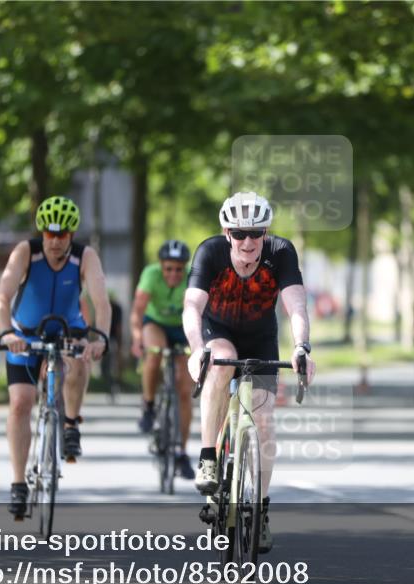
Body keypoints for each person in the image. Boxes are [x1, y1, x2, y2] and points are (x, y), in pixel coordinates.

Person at [184, 191, 316, 553]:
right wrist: (197, 349)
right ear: (227, 233)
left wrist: (302, 347)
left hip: (260, 338)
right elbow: (192, 306)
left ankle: (260, 510)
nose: (247, 241)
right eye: (239, 233)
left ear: (265, 233)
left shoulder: (281, 252)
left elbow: (296, 306)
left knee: (265, 420)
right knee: (221, 360)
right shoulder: (210, 252)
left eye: (255, 233)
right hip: (218, 331)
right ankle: (208, 458)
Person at [0, 195, 111, 518]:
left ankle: (71, 423)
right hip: (25, 335)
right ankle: (19, 483)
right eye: (49, 233)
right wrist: (8, 334)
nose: (55, 241)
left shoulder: (85, 256)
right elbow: (2, 298)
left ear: (71, 235)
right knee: (21, 403)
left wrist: (100, 337)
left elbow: (101, 302)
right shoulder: (26, 252)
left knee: (78, 361)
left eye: (62, 235)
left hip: (68, 330)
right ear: (42, 232)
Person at [130, 240, 195, 480]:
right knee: (154, 353)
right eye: (168, 268)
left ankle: (181, 452)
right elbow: (138, 310)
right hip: (155, 324)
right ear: (160, 266)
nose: (173, 274)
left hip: (183, 327)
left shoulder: (193, 276)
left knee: (185, 390)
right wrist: (137, 338)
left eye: (178, 269)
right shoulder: (150, 274)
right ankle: (148, 405)